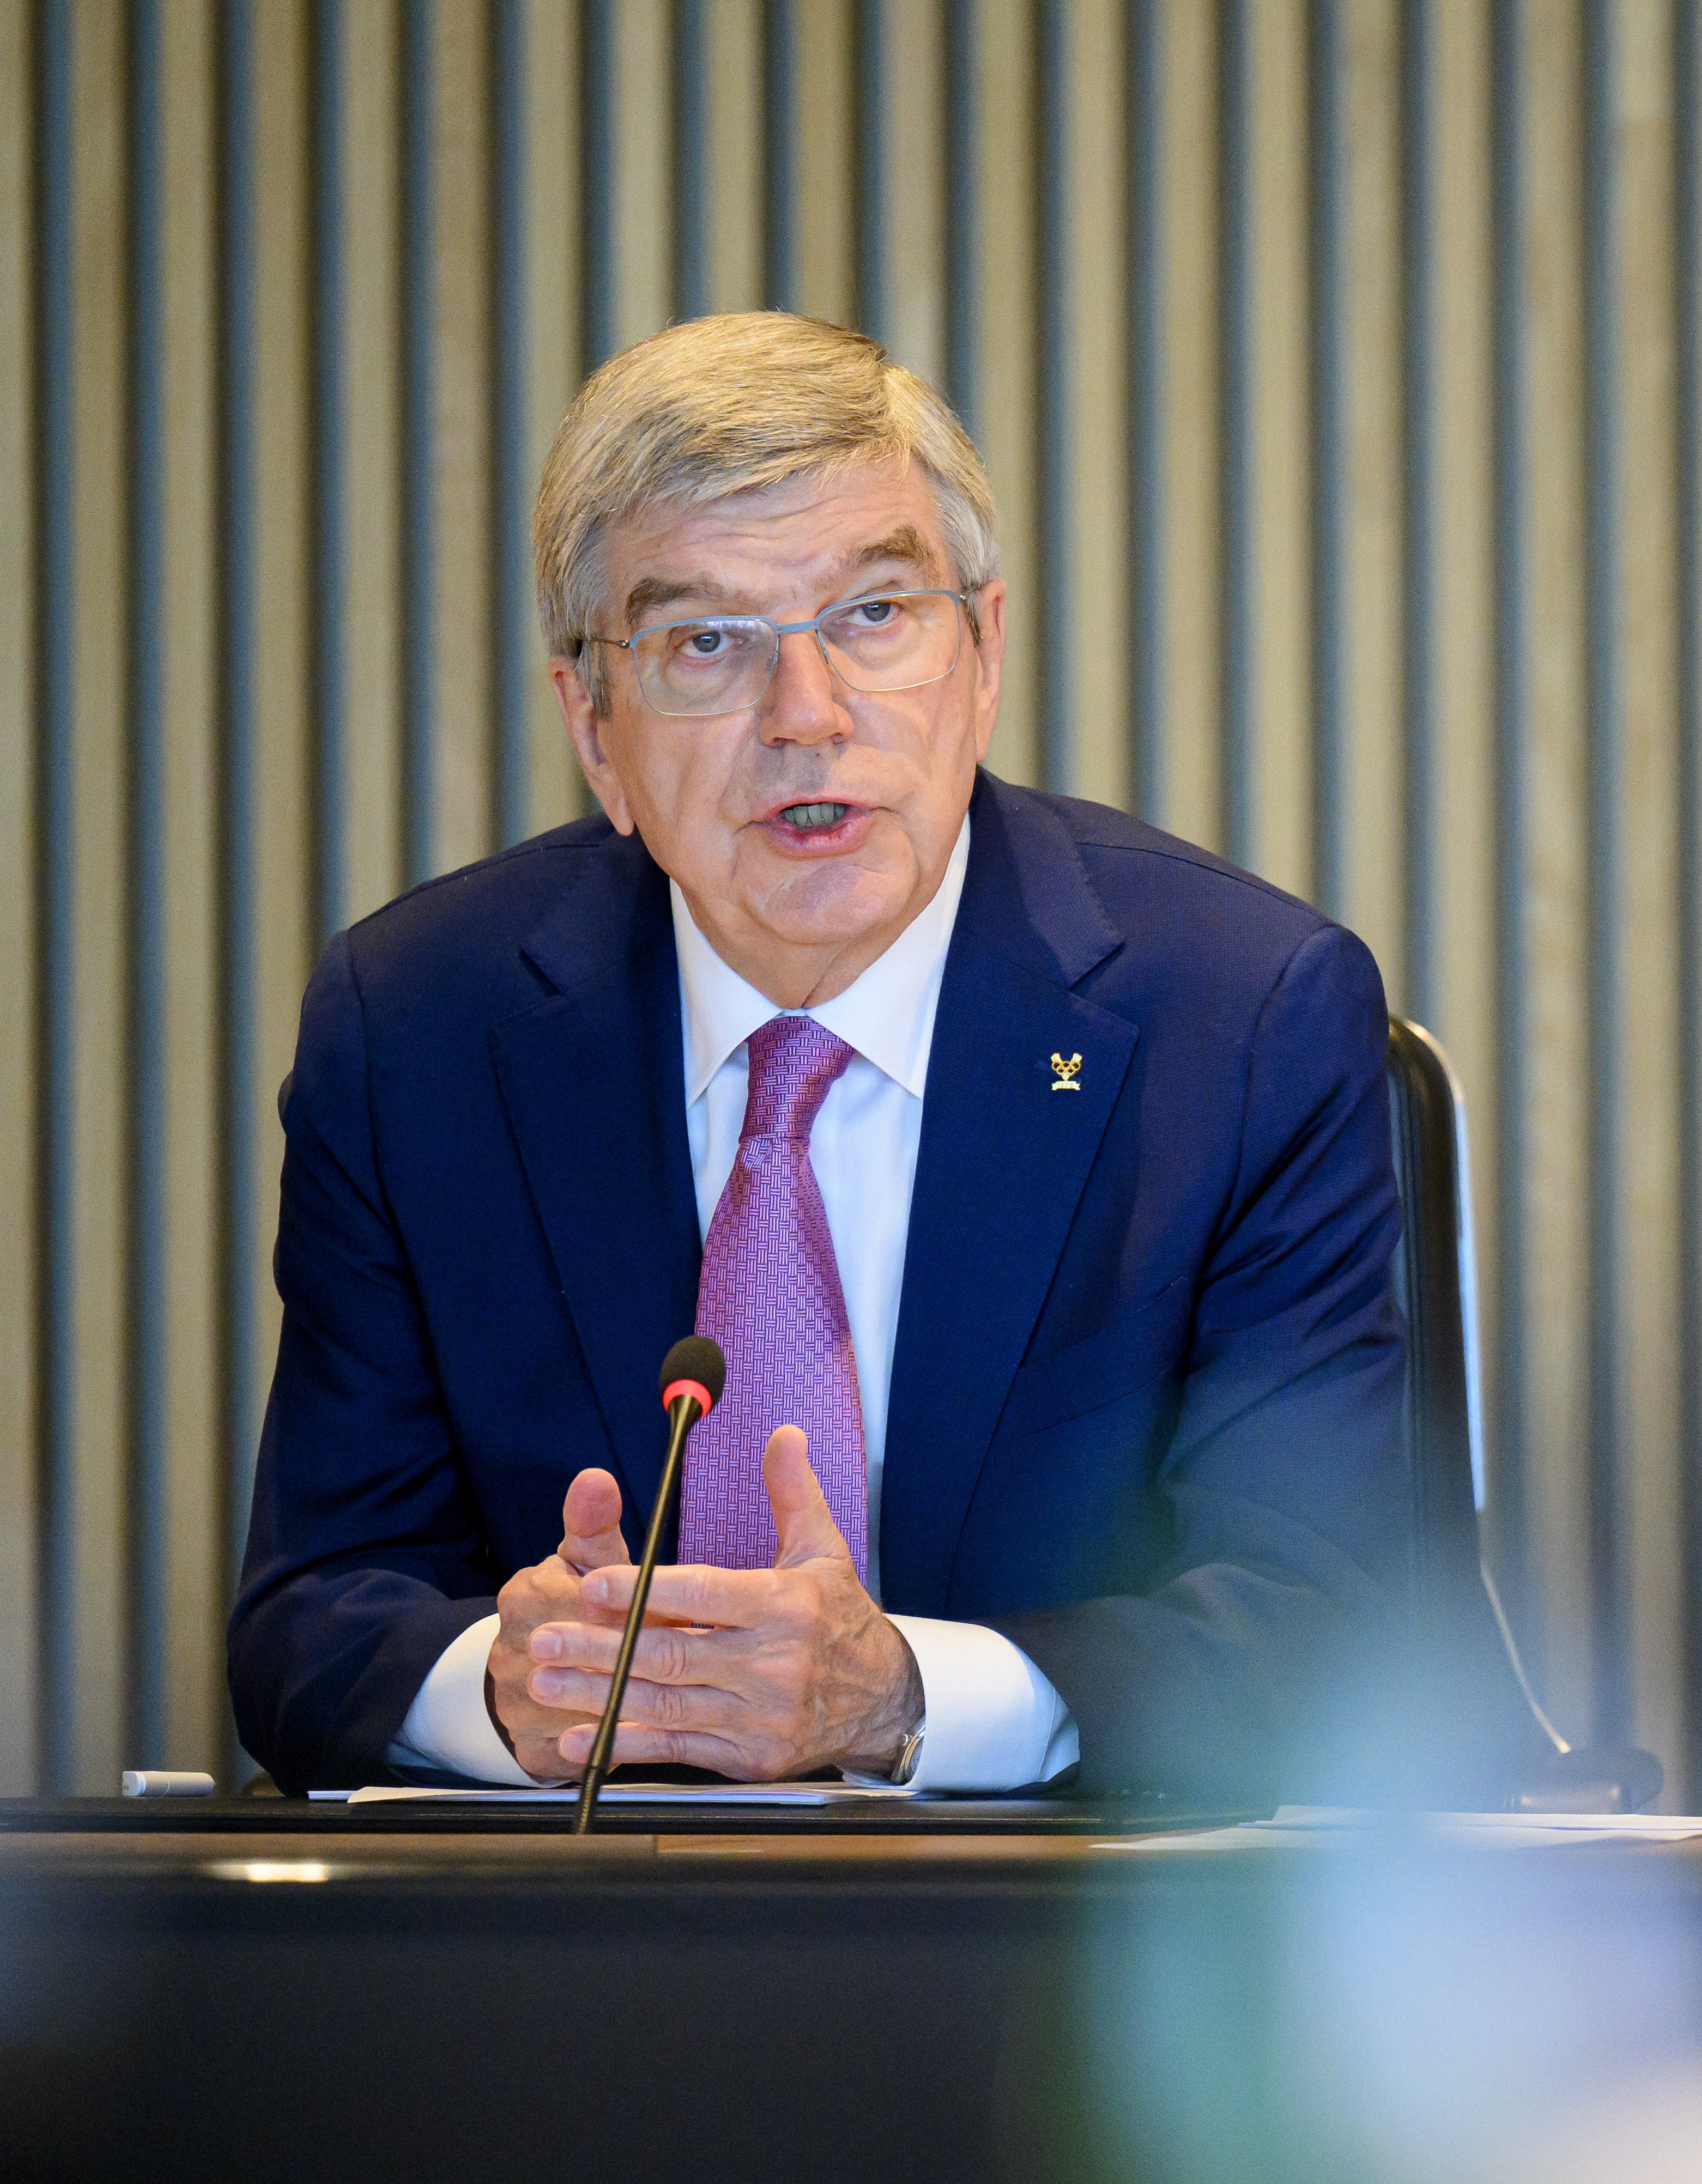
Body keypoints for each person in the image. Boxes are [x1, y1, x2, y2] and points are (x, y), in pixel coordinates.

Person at [227, 312, 1404, 1799]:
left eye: (873, 616)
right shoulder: (419, 1032)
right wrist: (512, 1687)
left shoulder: (1237, 1022)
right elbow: (313, 1615)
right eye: (705, 643)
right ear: (594, 727)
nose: (807, 718)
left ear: (982, 656)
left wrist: (899, 1698)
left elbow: (1319, 1622)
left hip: (1060, 1977)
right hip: (575, 1974)